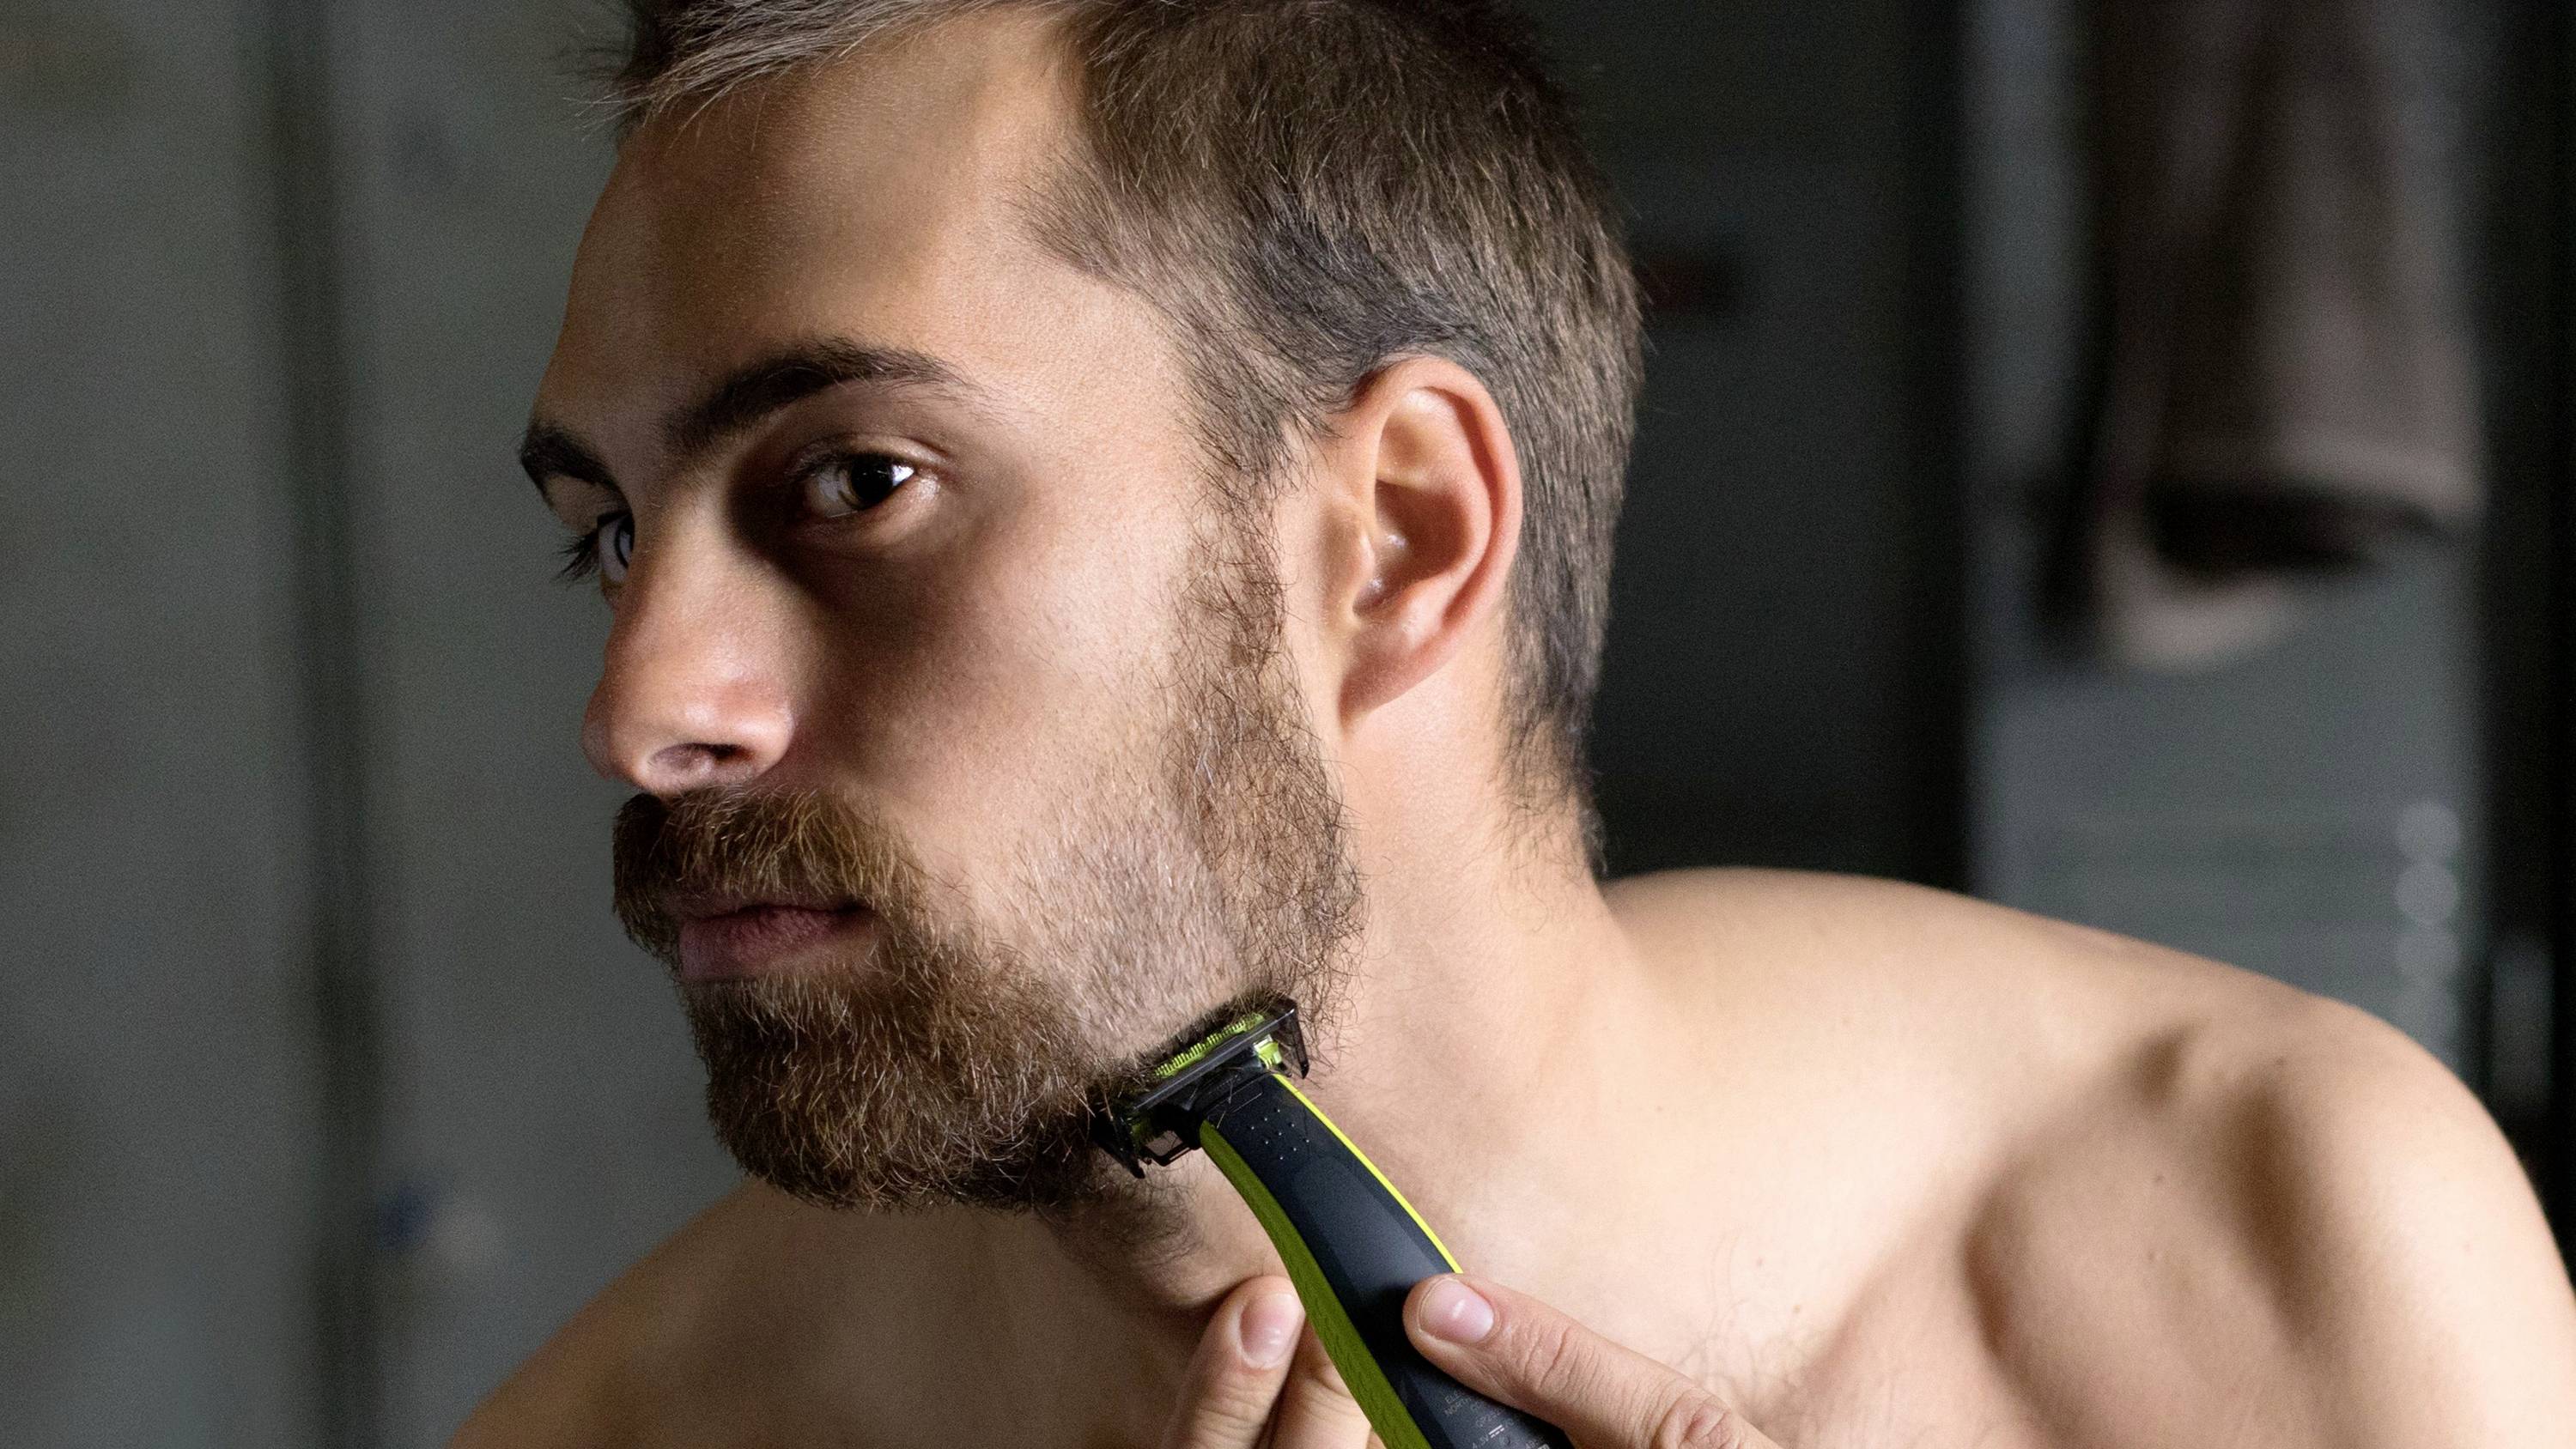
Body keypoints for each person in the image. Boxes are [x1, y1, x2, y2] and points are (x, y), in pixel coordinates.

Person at [459, 1, 2576, 1444]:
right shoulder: (628, 1428)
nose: (643, 705)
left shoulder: (2282, 1257)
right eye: (609, 537)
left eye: (855, 484)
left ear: (1393, 537)